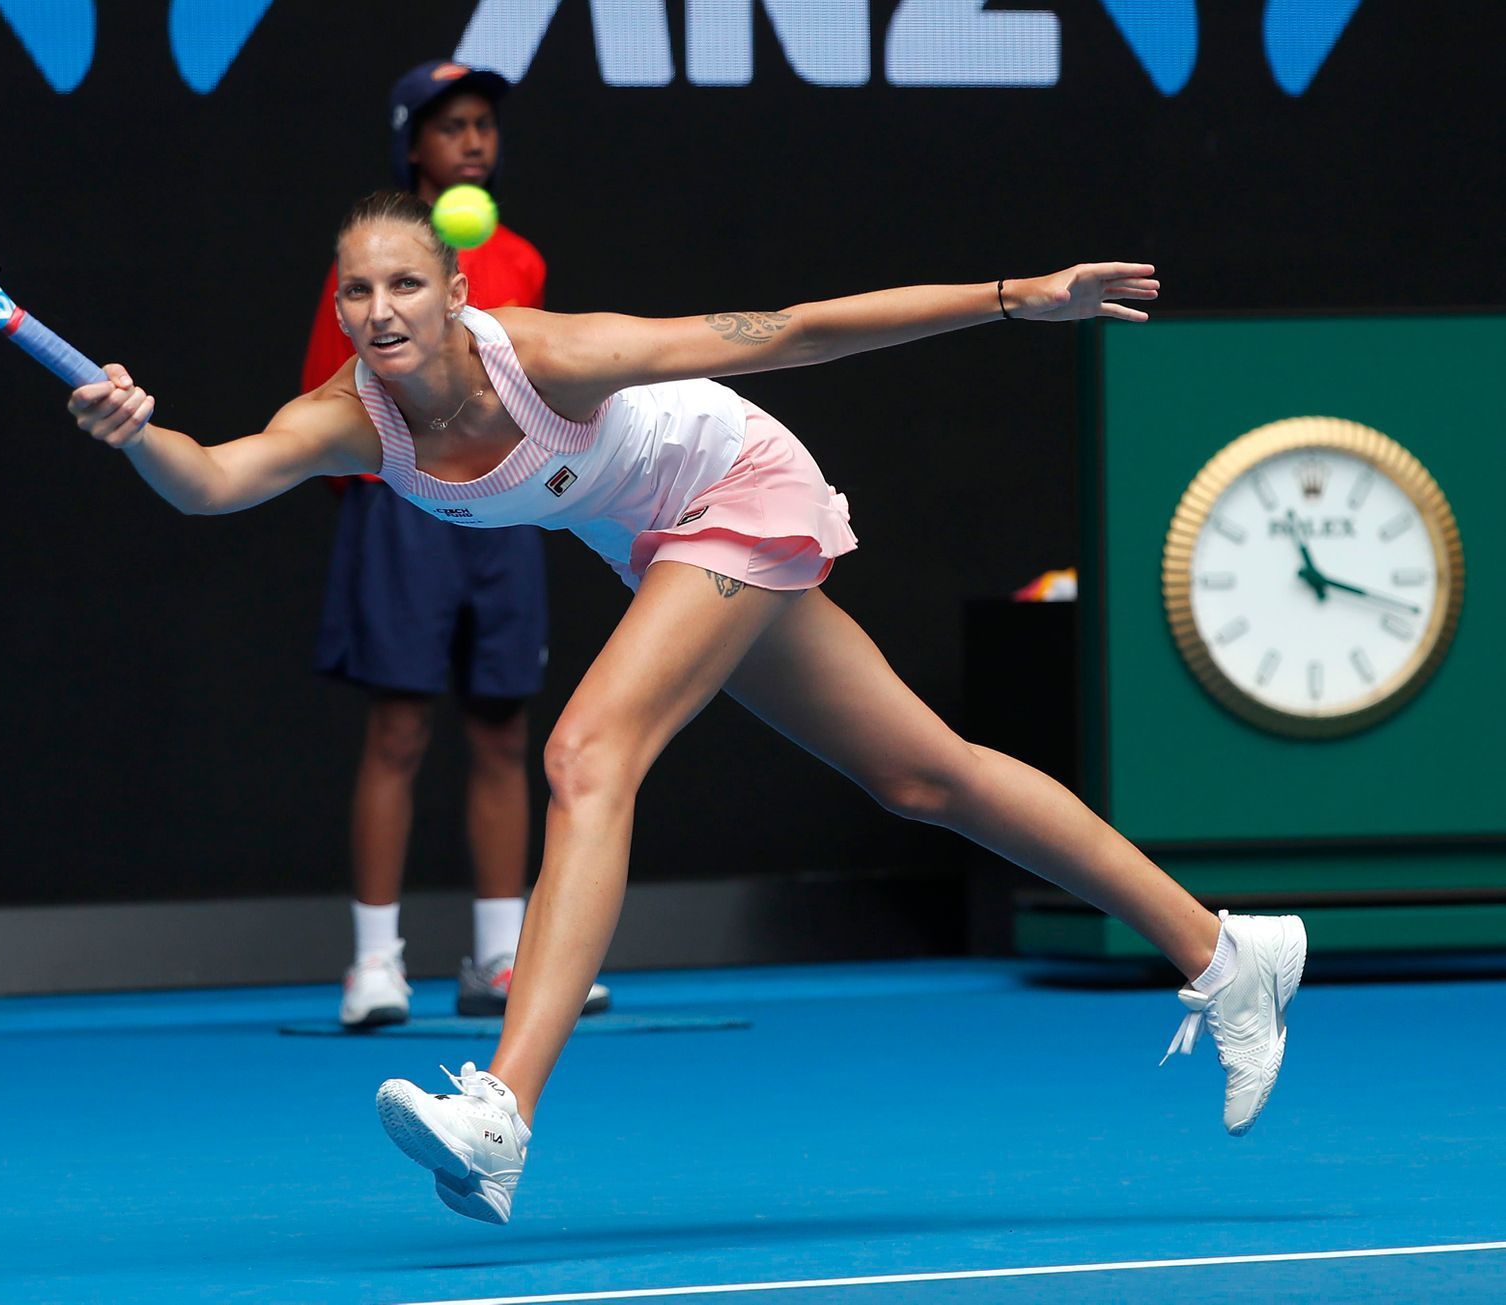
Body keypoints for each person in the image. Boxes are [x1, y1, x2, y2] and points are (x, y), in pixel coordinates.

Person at [68, 191, 1306, 1223]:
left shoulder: (552, 353)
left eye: (404, 285)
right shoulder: (348, 419)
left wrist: (1010, 296)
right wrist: (136, 434)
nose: (379, 312)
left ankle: (501, 1112)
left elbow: (792, 334)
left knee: (587, 754)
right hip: (653, 538)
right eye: (356, 293)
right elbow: (214, 481)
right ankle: (1225, 949)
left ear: (455, 293)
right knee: (926, 775)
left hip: (737, 481)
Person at [302, 60, 605, 1029]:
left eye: (484, 123)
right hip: (403, 511)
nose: (475, 140)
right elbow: (331, 399)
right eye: (452, 126)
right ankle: (375, 964)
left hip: (507, 510)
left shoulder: (517, 257)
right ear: (412, 146)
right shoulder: (375, 270)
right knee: (398, 729)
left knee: (503, 732)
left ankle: (500, 959)